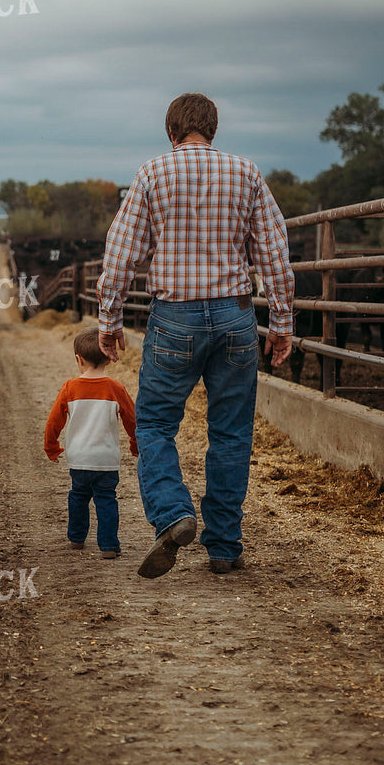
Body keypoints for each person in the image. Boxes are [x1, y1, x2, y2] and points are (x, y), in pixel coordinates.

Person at [97, 93, 294, 579]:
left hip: (175, 319)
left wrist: (110, 319)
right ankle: (224, 546)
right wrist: (283, 324)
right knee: (231, 432)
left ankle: (173, 514)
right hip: (236, 318)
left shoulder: (151, 174)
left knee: (156, 425)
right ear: (213, 129)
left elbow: (121, 254)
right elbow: (274, 253)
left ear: (171, 133)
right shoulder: (246, 173)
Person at [43, 325, 138, 559]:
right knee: (106, 500)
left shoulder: (70, 388)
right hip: (106, 460)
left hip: (79, 458)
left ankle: (76, 538)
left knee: (78, 496)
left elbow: (53, 422)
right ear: (108, 357)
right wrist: (135, 445)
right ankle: (108, 545)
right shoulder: (116, 389)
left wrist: (52, 447)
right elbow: (133, 420)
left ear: (79, 359)